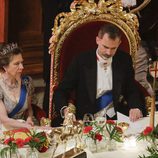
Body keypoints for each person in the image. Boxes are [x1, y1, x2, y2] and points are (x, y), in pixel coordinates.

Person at [53, 23, 147, 126]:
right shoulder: (80, 61)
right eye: (105, 47)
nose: (108, 52)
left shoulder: (124, 60)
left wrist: (135, 107)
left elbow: (131, 89)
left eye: (113, 48)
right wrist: (65, 110)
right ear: (98, 40)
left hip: (115, 119)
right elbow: (61, 91)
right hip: (86, 119)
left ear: (119, 43)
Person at [0, 43, 35, 129]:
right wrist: (27, 127)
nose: (22, 67)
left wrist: (29, 118)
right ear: (5, 67)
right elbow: (4, 120)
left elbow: (29, 109)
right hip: (4, 130)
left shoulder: (27, 82)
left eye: (22, 62)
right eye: (16, 64)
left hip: (24, 128)